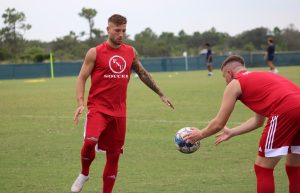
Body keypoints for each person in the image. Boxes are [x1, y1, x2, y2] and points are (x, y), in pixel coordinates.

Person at [70, 14, 174, 193]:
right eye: (117, 30)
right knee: (90, 141)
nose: (121, 34)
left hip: (119, 112)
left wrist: (160, 94)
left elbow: (142, 73)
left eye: (124, 30)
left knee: (114, 156)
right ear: (108, 30)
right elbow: (81, 78)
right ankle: (84, 173)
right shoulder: (95, 52)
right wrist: (80, 103)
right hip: (98, 108)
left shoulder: (130, 52)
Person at [183, 55, 300, 193]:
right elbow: (258, 121)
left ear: (229, 73)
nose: (225, 81)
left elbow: (219, 123)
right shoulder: (261, 77)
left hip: (285, 112)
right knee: (295, 166)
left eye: (223, 77)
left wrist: (201, 134)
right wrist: (232, 132)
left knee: (263, 168)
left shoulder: (235, 82)